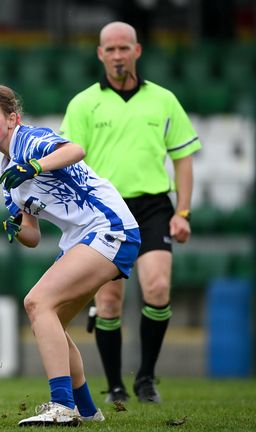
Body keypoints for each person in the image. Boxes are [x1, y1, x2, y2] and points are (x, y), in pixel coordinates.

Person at [0, 82, 141, 426]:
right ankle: (88, 411)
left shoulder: (30, 140)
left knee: (36, 303)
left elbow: (76, 150)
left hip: (109, 227)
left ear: (13, 119)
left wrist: (33, 166)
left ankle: (62, 405)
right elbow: (33, 235)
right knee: (53, 324)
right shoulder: (8, 174)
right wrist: (18, 229)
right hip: (81, 239)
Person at [60, 21, 200, 403]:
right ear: (100, 54)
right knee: (108, 301)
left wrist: (183, 212)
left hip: (154, 204)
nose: (118, 55)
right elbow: (69, 162)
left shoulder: (164, 100)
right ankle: (116, 387)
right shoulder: (84, 103)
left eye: (125, 48)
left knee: (157, 287)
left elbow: (184, 158)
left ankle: (147, 379)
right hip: (107, 209)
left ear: (137, 51)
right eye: (111, 49)